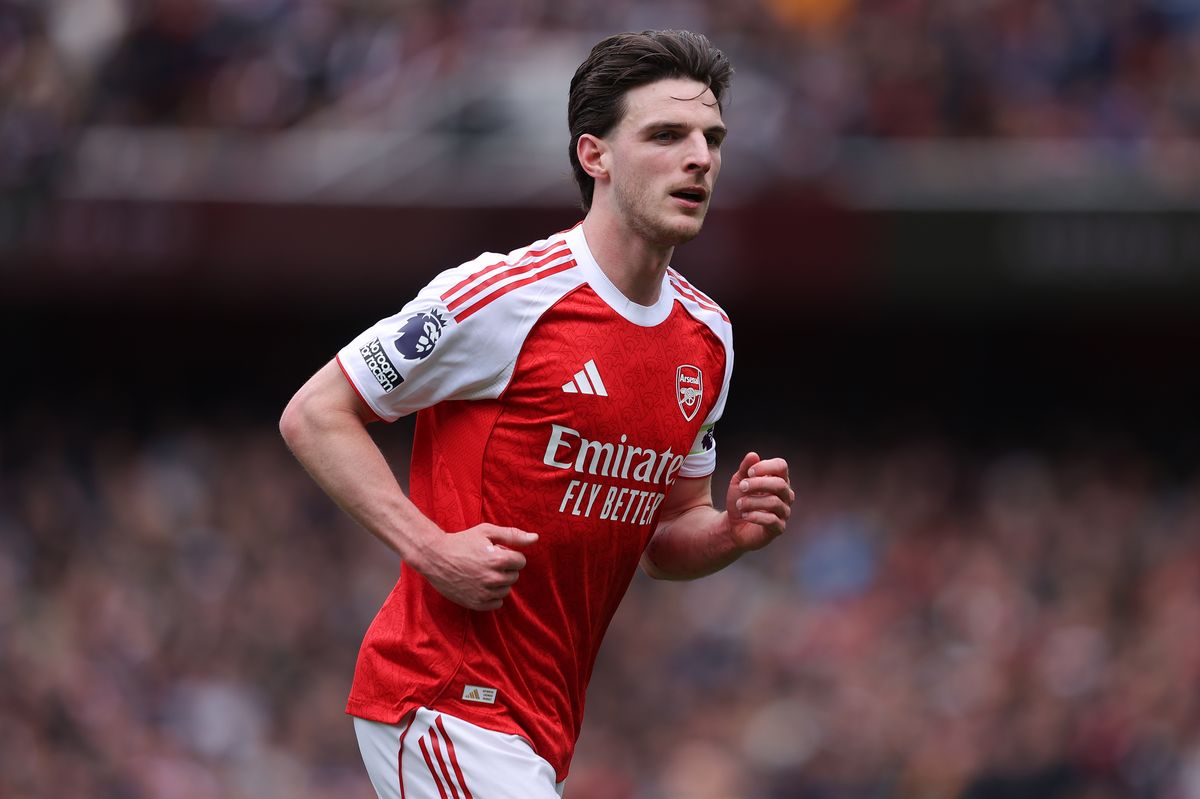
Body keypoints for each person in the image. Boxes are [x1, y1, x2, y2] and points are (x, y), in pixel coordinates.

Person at [280, 29, 794, 799]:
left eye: (711, 138)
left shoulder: (707, 335)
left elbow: (665, 535)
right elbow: (316, 412)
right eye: (666, 135)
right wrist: (431, 547)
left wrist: (727, 532)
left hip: (539, 725)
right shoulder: (504, 295)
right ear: (595, 155)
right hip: (443, 698)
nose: (699, 158)